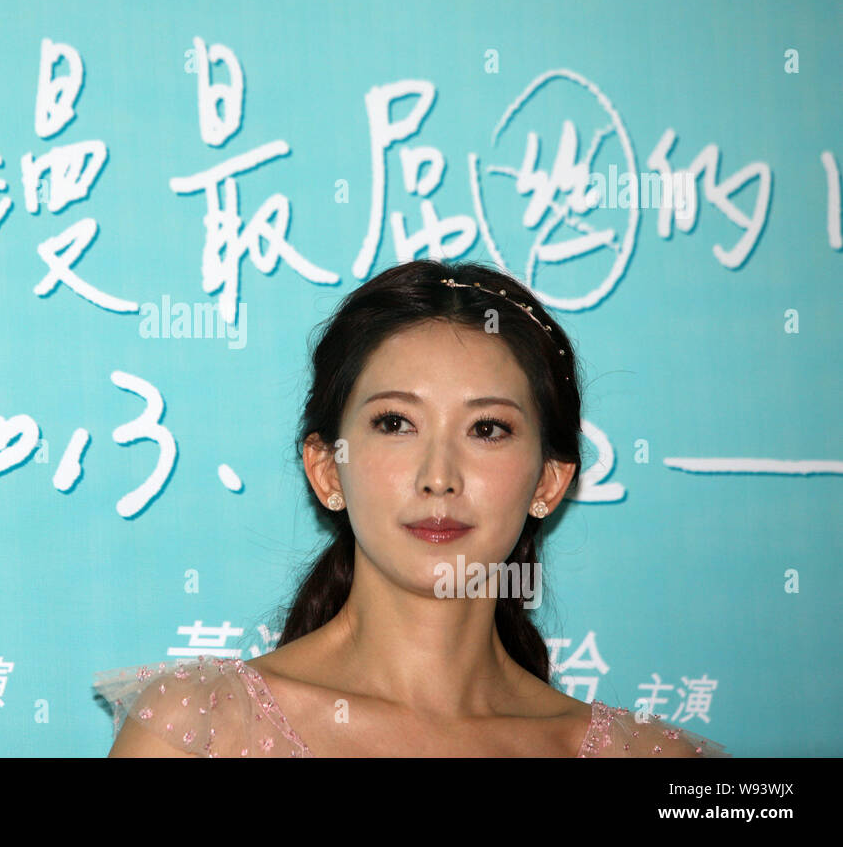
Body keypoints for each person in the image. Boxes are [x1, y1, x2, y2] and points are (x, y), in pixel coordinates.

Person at [93, 259, 729, 757]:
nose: (438, 478)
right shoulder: (199, 730)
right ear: (326, 468)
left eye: (488, 429)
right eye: (395, 422)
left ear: (550, 482)